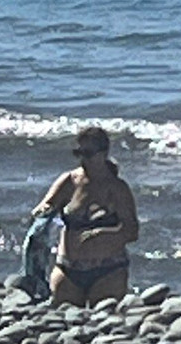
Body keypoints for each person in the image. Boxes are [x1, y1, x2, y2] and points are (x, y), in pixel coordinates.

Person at [31, 127, 139, 307]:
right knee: (64, 321)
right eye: (78, 153)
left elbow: (132, 232)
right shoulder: (70, 181)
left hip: (108, 270)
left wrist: (103, 233)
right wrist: (44, 211)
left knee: (102, 323)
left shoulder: (117, 188)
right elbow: (45, 206)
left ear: (103, 153)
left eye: (88, 153)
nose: (83, 160)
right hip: (68, 268)